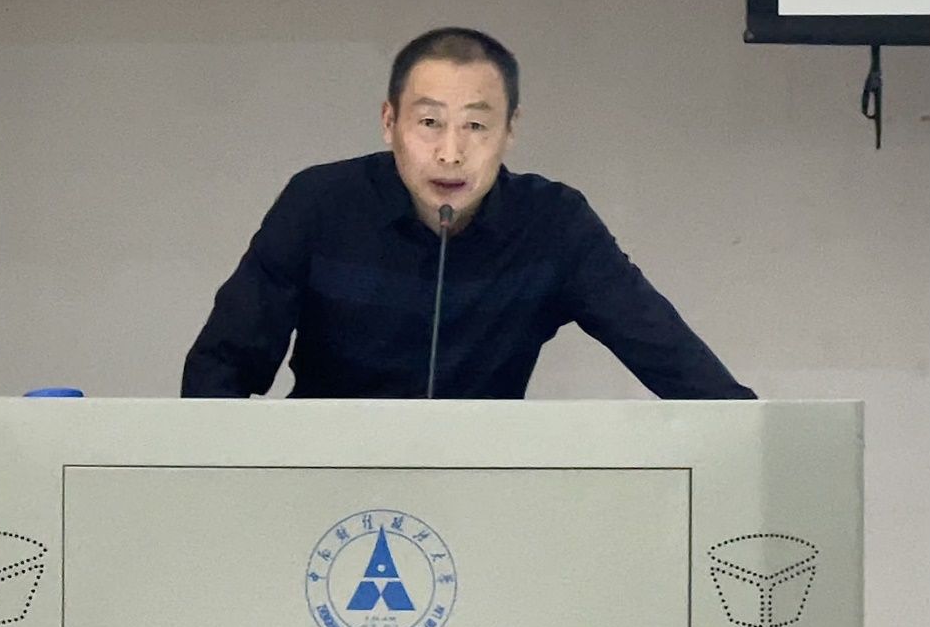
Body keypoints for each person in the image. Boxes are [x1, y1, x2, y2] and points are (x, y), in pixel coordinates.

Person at [182, 27, 756, 400]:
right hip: (325, 486)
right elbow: (222, 368)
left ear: (510, 131)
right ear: (389, 123)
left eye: (476, 125)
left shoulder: (553, 225)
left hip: (481, 488)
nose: (451, 152)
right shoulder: (320, 204)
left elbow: (677, 365)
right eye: (429, 123)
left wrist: (761, 448)